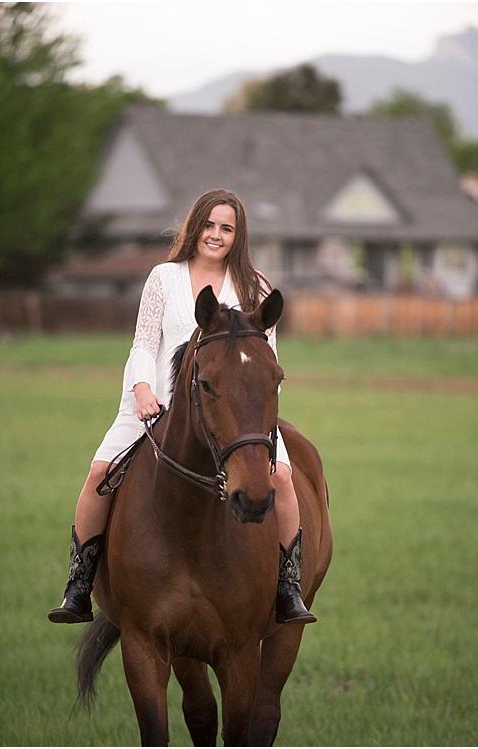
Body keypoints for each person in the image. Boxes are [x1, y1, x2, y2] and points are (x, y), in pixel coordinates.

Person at [47, 188, 315, 626]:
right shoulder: (163, 278)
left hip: (233, 412)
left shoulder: (256, 287)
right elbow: (142, 344)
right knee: (100, 473)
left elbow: (268, 365)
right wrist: (141, 389)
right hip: (155, 403)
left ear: (237, 235)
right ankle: (79, 585)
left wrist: (259, 417)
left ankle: (288, 588)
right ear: (195, 227)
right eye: (209, 225)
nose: (216, 235)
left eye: (226, 228)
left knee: (282, 477)